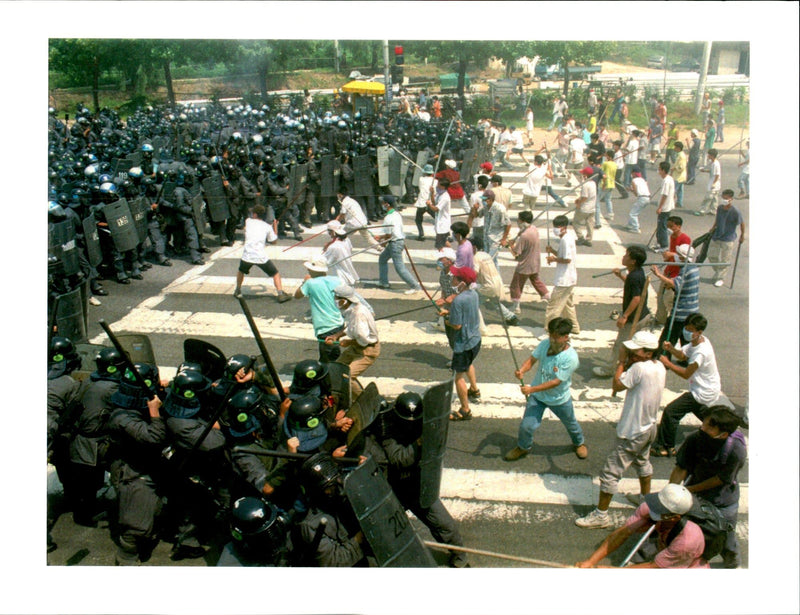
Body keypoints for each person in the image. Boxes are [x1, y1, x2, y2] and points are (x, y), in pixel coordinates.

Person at [575, 331, 665, 528]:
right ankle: (645, 499)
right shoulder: (659, 366)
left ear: (648, 353)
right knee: (642, 463)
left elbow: (617, 384)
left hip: (632, 431)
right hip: (649, 427)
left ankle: (601, 515)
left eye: (636, 350)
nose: (631, 352)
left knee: (610, 472)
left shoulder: (638, 368)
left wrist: (621, 363)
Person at [376, 392, 469, 567]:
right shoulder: (387, 428)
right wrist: (418, 443)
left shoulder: (423, 421)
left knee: (445, 525)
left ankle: (460, 556)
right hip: (392, 488)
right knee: (382, 532)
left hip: (417, 485)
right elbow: (399, 459)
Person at [669, 406, 747, 568]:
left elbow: (720, 479)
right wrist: (671, 492)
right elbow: (681, 468)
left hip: (723, 501)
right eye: (703, 424)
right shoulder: (695, 439)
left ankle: (732, 564)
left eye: (709, 428)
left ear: (723, 434)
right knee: (684, 530)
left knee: (725, 539)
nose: (703, 429)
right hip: (695, 495)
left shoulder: (735, 450)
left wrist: (688, 490)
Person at [106, 364, 167, 565]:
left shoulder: (128, 400)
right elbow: (154, 438)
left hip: (142, 463)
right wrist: (154, 411)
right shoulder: (123, 418)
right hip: (131, 470)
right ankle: (127, 555)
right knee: (136, 517)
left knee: (149, 508)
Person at [504, 317, 587, 461]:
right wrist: (522, 370)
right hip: (538, 397)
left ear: (566, 337)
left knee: (571, 424)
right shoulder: (544, 344)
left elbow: (556, 382)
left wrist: (532, 390)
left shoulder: (571, 358)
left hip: (559, 399)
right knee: (526, 426)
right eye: (550, 336)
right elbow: (531, 360)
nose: (552, 340)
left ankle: (579, 443)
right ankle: (523, 447)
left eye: (556, 338)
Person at [575, 484, 707, 568]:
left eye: (660, 509)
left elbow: (654, 567)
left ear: (675, 517)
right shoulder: (652, 508)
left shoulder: (687, 541)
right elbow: (622, 533)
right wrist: (591, 561)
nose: (652, 508)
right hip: (665, 548)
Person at [652, 312, 721, 457]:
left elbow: (686, 374)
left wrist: (668, 363)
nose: (687, 332)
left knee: (671, 412)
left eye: (690, 330)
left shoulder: (701, 352)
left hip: (703, 392)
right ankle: (721, 431)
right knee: (705, 416)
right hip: (704, 388)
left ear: (699, 332)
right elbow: (683, 355)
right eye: (686, 329)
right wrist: (671, 348)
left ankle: (666, 447)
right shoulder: (698, 342)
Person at [593, 245, 652, 378]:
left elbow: (636, 298)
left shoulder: (634, 276)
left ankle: (609, 369)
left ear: (633, 261)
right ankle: (630, 367)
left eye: (627, 255)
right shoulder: (637, 273)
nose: (623, 257)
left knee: (621, 345)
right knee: (636, 344)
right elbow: (633, 288)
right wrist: (620, 275)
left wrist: (624, 316)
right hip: (643, 315)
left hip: (635, 318)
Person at [440, 266, 482, 421]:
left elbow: (456, 325)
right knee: (469, 364)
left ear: (462, 283)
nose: (453, 279)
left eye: (456, 277)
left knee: (458, 377)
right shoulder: (474, 294)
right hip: (475, 340)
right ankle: (475, 390)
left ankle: (465, 410)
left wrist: (446, 318)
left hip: (463, 344)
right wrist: (450, 312)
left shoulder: (458, 300)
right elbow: (465, 312)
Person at [325, 284, 380, 400]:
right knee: (337, 369)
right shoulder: (350, 310)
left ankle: (364, 401)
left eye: (337, 298)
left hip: (367, 350)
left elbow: (363, 339)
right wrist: (335, 336)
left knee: (348, 378)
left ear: (345, 301)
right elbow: (350, 328)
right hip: (357, 347)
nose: (335, 300)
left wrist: (348, 343)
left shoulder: (359, 314)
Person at [233, 204, 291, 303]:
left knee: (241, 271)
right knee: (275, 274)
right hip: (260, 256)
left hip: (247, 255)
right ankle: (280, 294)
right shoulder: (267, 227)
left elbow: (246, 229)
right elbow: (274, 241)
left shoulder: (248, 221)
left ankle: (237, 290)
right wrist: (274, 227)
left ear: (255, 214)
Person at [294, 259, 345, 363]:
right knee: (333, 352)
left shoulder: (310, 283)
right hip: (338, 322)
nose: (308, 270)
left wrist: (305, 282)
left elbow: (297, 295)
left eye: (309, 268)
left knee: (326, 360)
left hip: (325, 327)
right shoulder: (336, 280)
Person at [651, 243, 699, 348]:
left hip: (681, 312)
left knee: (667, 341)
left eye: (678, 254)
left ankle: (664, 360)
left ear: (682, 257)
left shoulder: (686, 270)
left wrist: (658, 275)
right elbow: (681, 285)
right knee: (686, 341)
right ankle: (685, 359)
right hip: (691, 311)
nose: (675, 256)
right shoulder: (694, 267)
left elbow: (675, 284)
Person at [375, 195, 421, 294]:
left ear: (387, 204)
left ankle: (415, 286)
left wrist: (381, 242)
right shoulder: (396, 214)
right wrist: (381, 238)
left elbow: (388, 235)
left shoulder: (388, 218)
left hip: (395, 243)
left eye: (383, 203)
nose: (381, 205)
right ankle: (384, 282)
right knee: (382, 259)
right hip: (398, 241)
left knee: (400, 268)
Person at [508, 210, 550, 315]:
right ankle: (551, 300)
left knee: (516, 285)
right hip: (535, 263)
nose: (517, 221)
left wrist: (509, 245)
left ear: (522, 221)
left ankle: (516, 306)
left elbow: (516, 253)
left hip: (524, 265)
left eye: (519, 220)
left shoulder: (524, 236)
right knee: (536, 282)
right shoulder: (534, 229)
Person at [652, 216, 692, 326]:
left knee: (668, 299)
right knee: (660, 296)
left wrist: (672, 254)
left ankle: (674, 322)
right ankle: (661, 319)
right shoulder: (672, 236)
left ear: (679, 226)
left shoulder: (685, 239)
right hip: (669, 270)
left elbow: (686, 256)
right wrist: (668, 256)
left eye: (671, 226)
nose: (669, 228)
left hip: (676, 274)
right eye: (668, 226)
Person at [544, 215, 580, 334]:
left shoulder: (565, 240)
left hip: (564, 279)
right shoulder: (568, 237)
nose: (556, 229)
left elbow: (567, 259)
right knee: (567, 305)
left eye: (558, 226)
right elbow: (563, 255)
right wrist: (553, 251)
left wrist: (553, 259)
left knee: (553, 307)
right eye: (555, 226)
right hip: (571, 278)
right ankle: (574, 327)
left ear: (564, 227)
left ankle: (550, 331)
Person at [472, 236, 518, 326]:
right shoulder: (485, 255)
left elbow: (474, 274)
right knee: (495, 302)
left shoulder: (475, 257)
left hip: (487, 286)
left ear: (473, 247)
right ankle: (511, 317)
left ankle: (471, 321)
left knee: (473, 303)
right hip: (496, 283)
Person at [707, 189, 745, 287]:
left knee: (725, 259)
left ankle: (720, 278)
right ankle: (718, 271)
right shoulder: (720, 208)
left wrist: (742, 235)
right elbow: (718, 219)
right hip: (717, 235)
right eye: (723, 198)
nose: (724, 200)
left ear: (731, 199)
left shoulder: (735, 211)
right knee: (711, 255)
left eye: (726, 199)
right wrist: (713, 227)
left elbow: (742, 223)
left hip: (728, 238)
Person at [482, 188, 511, 268]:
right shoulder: (486, 207)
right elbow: (477, 214)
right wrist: (474, 208)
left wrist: (504, 239)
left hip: (496, 239)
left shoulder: (500, 209)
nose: (483, 201)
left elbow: (508, 224)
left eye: (485, 199)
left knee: (489, 261)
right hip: (487, 238)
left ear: (490, 199)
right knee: (493, 262)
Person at [573, 166, 597, 247]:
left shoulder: (585, 185)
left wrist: (578, 203)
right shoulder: (593, 183)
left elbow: (585, 197)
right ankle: (589, 240)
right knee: (590, 224)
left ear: (585, 175)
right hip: (592, 208)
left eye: (583, 173)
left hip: (584, 208)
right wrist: (578, 199)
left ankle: (581, 238)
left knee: (575, 222)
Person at [655, 161, 675, 251]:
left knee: (661, 227)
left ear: (663, 170)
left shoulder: (666, 181)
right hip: (669, 206)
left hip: (665, 208)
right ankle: (660, 243)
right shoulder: (670, 178)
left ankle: (664, 246)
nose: (658, 171)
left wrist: (660, 207)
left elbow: (664, 195)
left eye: (659, 169)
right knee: (662, 226)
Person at [414, 163, 436, 241]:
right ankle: (445, 234)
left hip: (422, 203)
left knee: (418, 220)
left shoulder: (421, 179)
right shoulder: (435, 181)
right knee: (437, 218)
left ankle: (421, 234)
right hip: (430, 203)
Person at [429, 177, 452, 250]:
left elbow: (436, 209)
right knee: (444, 242)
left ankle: (443, 257)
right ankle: (451, 254)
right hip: (439, 223)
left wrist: (429, 205)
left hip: (443, 224)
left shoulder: (445, 197)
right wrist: (432, 193)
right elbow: (434, 203)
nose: (437, 186)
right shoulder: (439, 194)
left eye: (439, 184)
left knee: (439, 245)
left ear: (443, 186)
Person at [696, 148, 721, 216]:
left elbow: (717, 175)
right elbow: (711, 171)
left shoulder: (716, 164)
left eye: (709, 155)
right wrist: (704, 171)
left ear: (712, 155)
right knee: (714, 198)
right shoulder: (712, 163)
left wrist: (714, 183)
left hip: (714, 184)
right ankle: (713, 211)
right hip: (714, 183)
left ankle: (702, 211)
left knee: (708, 198)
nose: (707, 156)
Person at [598, 149, 617, 224]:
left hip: (605, 183)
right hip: (612, 184)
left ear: (608, 156)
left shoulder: (605, 163)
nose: (605, 156)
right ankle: (610, 213)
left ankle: (597, 213)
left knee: (597, 199)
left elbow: (602, 173)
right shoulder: (614, 164)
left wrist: (603, 184)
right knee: (608, 199)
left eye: (606, 155)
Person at [671, 141, 687, 209]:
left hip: (678, 176)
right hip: (681, 176)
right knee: (680, 191)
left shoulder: (681, 156)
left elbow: (681, 167)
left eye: (675, 147)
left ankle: (671, 203)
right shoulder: (680, 154)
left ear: (678, 148)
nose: (674, 148)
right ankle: (679, 203)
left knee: (673, 190)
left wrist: (674, 168)